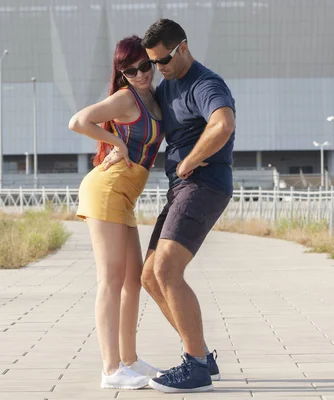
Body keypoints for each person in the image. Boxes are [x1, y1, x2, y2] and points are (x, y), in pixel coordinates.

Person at [103, 19, 236, 393]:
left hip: (203, 184)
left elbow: (222, 124)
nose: (155, 70)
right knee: (149, 276)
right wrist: (117, 148)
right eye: (149, 64)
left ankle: (194, 365)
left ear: (182, 47)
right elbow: (138, 120)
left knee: (166, 269)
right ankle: (202, 356)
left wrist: (191, 160)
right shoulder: (167, 86)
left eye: (160, 61)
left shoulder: (205, 83)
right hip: (181, 188)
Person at [68, 35, 164, 390]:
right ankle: (111, 370)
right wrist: (117, 142)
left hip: (125, 195)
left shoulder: (153, 97)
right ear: (121, 73)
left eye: (145, 66)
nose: (140, 74)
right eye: (131, 70)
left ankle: (129, 359)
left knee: (133, 279)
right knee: (110, 279)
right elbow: (78, 121)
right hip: (107, 189)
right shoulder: (125, 98)